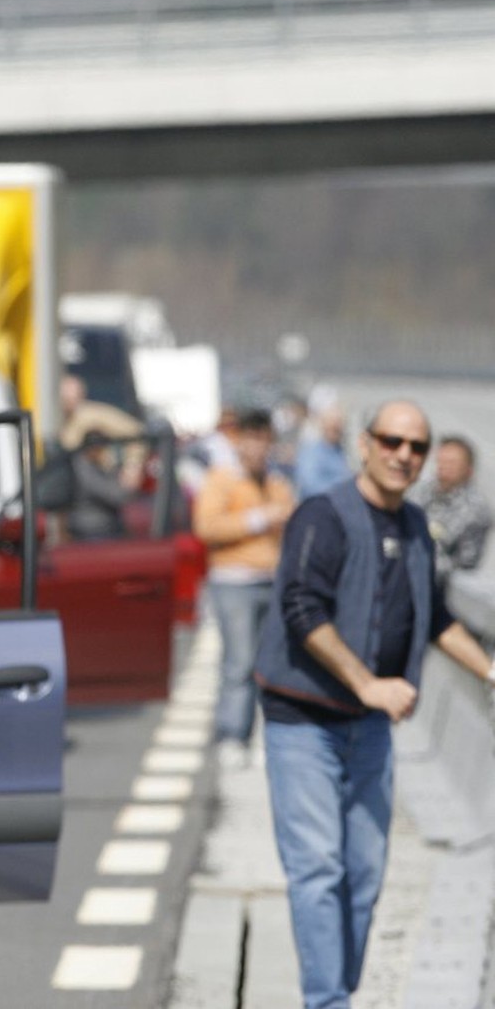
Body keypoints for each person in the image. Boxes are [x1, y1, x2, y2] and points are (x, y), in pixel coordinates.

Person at [255, 399, 495, 1009]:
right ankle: (327, 1001)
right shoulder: (323, 516)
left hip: (371, 728)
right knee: (319, 870)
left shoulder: (415, 529)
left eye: (416, 447)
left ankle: (338, 987)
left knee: (363, 876)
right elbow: (301, 607)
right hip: (304, 720)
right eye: (391, 441)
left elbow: (436, 615)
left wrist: (490, 670)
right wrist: (367, 684)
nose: (403, 455)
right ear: (364, 444)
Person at [193, 408, 295, 769]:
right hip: (232, 581)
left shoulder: (278, 483)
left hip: (272, 580)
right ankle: (232, 733)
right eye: (250, 439)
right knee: (238, 661)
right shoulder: (221, 480)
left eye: (262, 440)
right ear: (238, 441)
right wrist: (258, 519)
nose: (256, 448)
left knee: (269, 664)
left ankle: (262, 734)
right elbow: (207, 527)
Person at [411, 435, 492, 591]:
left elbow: (465, 566)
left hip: (438, 589)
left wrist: (417, 561)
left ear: (468, 469)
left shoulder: (476, 511)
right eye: (441, 461)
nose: (444, 467)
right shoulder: (421, 490)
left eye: (452, 463)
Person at [293, 402, 352, 499]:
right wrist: (344, 488)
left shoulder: (340, 452)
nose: (336, 429)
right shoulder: (310, 452)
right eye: (332, 425)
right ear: (323, 425)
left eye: (338, 425)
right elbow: (310, 485)